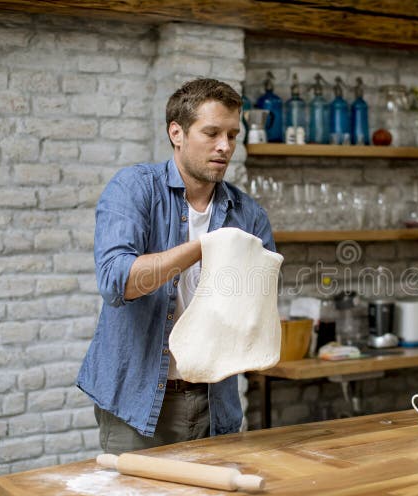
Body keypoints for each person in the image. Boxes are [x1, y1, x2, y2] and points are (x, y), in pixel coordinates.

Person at [77, 78, 275, 455]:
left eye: (233, 135)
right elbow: (117, 282)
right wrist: (205, 247)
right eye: (212, 132)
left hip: (216, 404)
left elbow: (257, 308)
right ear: (177, 133)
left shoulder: (248, 214)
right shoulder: (134, 189)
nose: (225, 146)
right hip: (138, 405)